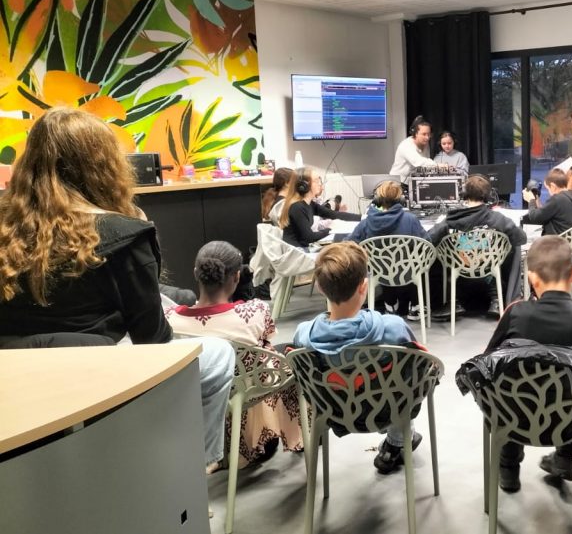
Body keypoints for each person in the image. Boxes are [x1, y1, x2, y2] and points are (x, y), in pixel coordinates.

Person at [0, 108, 233, 477]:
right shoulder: (124, 233)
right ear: (102, 166)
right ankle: (193, 468)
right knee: (219, 353)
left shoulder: (6, 230)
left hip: (14, 385)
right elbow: (152, 340)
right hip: (98, 377)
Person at [484, 236, 572, 492]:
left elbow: (489, 362)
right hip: (571, 423)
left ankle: (508, 467)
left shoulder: (516, 313)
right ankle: (564, 457)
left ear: (532, 278)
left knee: (507, 389)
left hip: (516, 420)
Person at [290, 242, 426, 475]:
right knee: (401, 380)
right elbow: (420, 368)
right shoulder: (394, 328)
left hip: (334, 412)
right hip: (389, 409)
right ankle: (397, 442)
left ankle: (395, 442)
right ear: (364, 286)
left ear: (320, 288)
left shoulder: (303, 335)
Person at [166, 241, 304, 469]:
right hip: (244, 394)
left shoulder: (170, 319)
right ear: (237, 277)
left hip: (197, 392)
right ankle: (296, 435)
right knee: (288, 353)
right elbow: (266, 344)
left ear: (195, 273)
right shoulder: (255, 311)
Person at [428, 174, 527, 318]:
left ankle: (452, 302)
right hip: (488, 268)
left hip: (459, 269)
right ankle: (497, 300)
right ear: (488, 195)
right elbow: (521, 238)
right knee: (514, 249)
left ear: (464, 194)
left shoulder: (450, 220)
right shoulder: (497, 219)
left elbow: (428, 239)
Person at [346, 180, 429, 317]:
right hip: (408, 272)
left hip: (379, 273)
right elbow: (427, 243)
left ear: (377, 200)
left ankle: (390, 305)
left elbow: (348, 244)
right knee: (412, 259)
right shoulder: (411, 219)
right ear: (401, 200)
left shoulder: (366, 223)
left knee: (385, 262)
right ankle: (416, 306)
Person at [278, 167, 358, 248]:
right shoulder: (297, 207)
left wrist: (362, 218)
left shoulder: (309, 204)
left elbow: (333, 214)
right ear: (304, 185)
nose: (320, 184)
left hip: (302, 249)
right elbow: (309, 237)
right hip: (297, 252)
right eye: (316, 181)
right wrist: (330, 229)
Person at [521, 168, 572, 236]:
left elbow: (534, 217)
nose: (549, 192)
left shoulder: (557, 200)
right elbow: (544, 214)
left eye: (548, 189)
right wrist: (536, 198)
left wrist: (531, 200)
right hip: (566, 240)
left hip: (555, 240)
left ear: (553, 186)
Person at [389, 115, 436, 185]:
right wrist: (438, 165)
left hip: (411, 183)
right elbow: (418, 162)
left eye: (429, 134)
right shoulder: (406, 145)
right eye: (424, 134)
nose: (427, 137)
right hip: (397, 183)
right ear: (415, 133)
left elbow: (425, 165)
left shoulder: (425, 144)